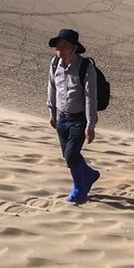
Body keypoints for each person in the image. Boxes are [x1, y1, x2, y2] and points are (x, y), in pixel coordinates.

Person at [45, 28, 101, 205]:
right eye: (57, 46)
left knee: (71, 156)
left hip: (79, 119)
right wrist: (52, 113)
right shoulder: (55, 63)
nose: (59, 49)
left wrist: (90, 125)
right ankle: (90, 175)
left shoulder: (86, 68)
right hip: (62, 117)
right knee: (69, 156)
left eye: (63, 45)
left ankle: (80, 188)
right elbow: (51, 89)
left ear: (73, 48)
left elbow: (90, 98)